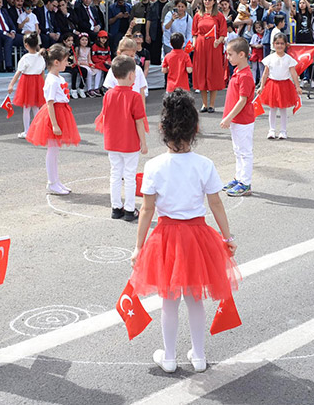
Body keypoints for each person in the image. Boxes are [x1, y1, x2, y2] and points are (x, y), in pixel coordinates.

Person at [129, 89, 239, 374]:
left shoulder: (154, 166)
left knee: (169, 300)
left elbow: (147, 210)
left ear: (163, 129)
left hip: (166, 237)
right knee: (195, 299)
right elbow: (216, 204)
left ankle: (168, 356)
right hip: (198, 237)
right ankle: (199, 356)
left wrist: (139, 247)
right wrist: (227, 238)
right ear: (196, 129)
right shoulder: (205, 165)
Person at [26, 44, 81, 195]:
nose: (67, 63)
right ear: (56, 62)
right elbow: (49, 103)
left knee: (55, 151)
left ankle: (56, 181)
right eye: (65, 60)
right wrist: (55, 125)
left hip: (61, 112)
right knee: (52, 150)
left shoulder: (58, 77)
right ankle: (52, 182)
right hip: (54, 115)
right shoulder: (51, 80)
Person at [102, 55, 149, 222]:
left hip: (112, 141)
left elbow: (106, 117)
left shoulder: (108, 95)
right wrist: (143, 142)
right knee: (129, 176)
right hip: (129, 142)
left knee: (115, 173)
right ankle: (129, 209)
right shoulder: (135, 97)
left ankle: (116, 207)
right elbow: (139, 122)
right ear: (131, 76)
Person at [219, 37, 255, 197]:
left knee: (245, 151)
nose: (228, 57)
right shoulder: (238, 71)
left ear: (241, 54)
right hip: (236, 120)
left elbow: (243, 100)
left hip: (243, 120)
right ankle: (239, 177)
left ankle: (245, 183)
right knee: (238, 150)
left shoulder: (245, 75)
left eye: (230, 54)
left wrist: (228, 117)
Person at [257, 33, 300, 140]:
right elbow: (265, 74)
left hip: (285, 85)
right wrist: (261, 86)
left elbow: (294, 74)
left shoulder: (289, 59)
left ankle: (283, 131)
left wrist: (297, 86)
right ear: (273, 44)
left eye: (282, 43)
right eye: (277, 43)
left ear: (285, 45)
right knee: (272, 109)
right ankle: (271, 130)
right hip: (272, 85)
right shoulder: (270, 58)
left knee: (283, 109)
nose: (279, 46)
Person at [192, 0, 228, 112]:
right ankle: (204, 104)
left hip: (214, 46)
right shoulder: (198, 15)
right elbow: (194, 33)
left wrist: (219, 41)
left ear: (214, 2)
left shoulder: (219, 16)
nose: (207, 1)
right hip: (201, 46)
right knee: (201, 73)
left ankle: (212, 104)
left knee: (213, 73)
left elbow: (223, 33)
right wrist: (194, 44)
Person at [6, 33, 46, 138]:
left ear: (26, 45)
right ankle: (38, 129)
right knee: (35, 107)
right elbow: (42, 73)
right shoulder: (40, 57)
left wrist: (11, 85)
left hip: (27, 83)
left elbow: (18, 72)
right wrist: (45, 85)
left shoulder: (26, 58)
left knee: (27, 108)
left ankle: (27, 131)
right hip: (37, 82)